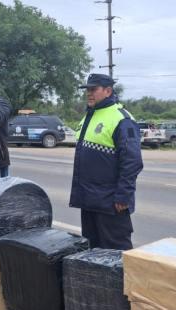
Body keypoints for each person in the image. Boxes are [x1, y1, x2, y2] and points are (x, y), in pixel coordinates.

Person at [69, 73, 143, 250]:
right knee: (93, 250)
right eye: (87, 89)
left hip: (111, 202)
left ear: (108, 91)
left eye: (93, 89)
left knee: (116, 252)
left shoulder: (122, 119)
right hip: (89, 199)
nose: (89, 93)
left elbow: (132, 162)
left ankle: (121, 280)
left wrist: (123, 196)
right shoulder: (90, 115)